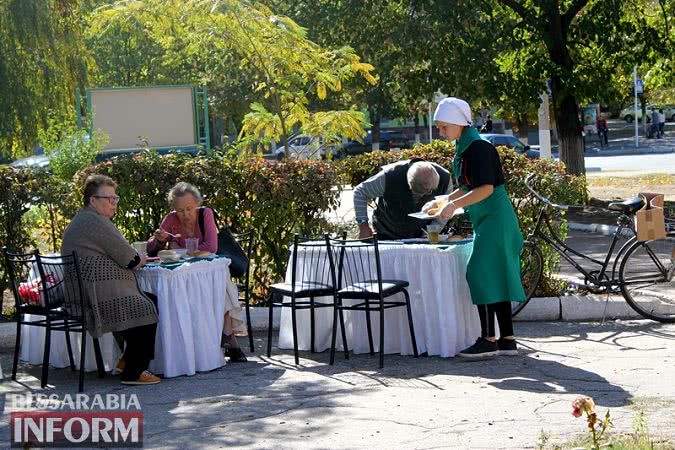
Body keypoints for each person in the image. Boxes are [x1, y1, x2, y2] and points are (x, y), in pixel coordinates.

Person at [423, 97, 526, 359]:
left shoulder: (478, 148)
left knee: (480, 273)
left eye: (444, 127)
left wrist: (451, 206)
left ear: (458, 124)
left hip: (496, 219)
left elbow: (485, 188)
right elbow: (469, 186)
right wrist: (444, 200)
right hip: (489, 220)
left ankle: (489, 339)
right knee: (496, 275)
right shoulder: (466, 146)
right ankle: (508, 340)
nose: (441, 132)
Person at [62, 175, 160, 385]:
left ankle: (127, 360)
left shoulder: (84, 218)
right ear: (93, 201)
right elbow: (131, 259)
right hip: (94, 294)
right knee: (145, 306)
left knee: (148, 299)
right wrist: (140, 258)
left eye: (116, 198)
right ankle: (134, 372)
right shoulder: (94, 221)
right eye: (110, 199)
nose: (114, 204)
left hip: (85, 290)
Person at [147, 182, 247, 362]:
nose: (185, 214)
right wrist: (160, 240)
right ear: (174, 209)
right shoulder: (170, 219)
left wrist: (183, 248)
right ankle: (229, 341)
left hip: (210, 270)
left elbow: (212, 246)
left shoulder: (205, 213)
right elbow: (152, 250)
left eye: (189, 209)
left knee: (221, 287)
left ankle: (227, 336)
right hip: (186, 274)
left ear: (197, 205)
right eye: (180, 210)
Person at [354, 159, 452, 239]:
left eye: (432, 190)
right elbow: (360, 192)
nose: (427, 195)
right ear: (409, 184)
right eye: (419, 192)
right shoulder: (388, 177)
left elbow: (446, 210)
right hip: (386, 235)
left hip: (422, 238)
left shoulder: (445, 179)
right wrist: (363, 226)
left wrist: (430, 232)